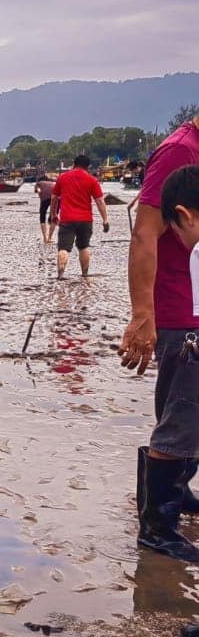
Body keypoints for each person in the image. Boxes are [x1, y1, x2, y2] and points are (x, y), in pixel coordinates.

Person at [119, 114, 199, 562]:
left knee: (189, 416)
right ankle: (157, 527)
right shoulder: (180, 151)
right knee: (183, 415)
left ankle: (176, 495)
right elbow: (144, 234)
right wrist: (142, 315)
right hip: (179, 307)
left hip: (192, 302)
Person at [49, 154, 109, 279]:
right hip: (85, 219)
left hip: (67, 218)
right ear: (88, 167)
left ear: (73, 164)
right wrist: (105, 219)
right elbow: (100, 201)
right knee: (83, 246)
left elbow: (54, 198)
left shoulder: (63, 178)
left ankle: (60, 275)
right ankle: (85, 275)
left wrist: (53, 214)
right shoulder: (92, 180)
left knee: (63, 248)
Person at [35, 171, 56, 244]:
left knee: (42, 216)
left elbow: (39, 191)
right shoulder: (52, 183)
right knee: (54, 216)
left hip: (45, 199)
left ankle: (45, 238)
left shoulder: (39, 183)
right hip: (57, 198)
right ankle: (50, 237)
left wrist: (42, 205)